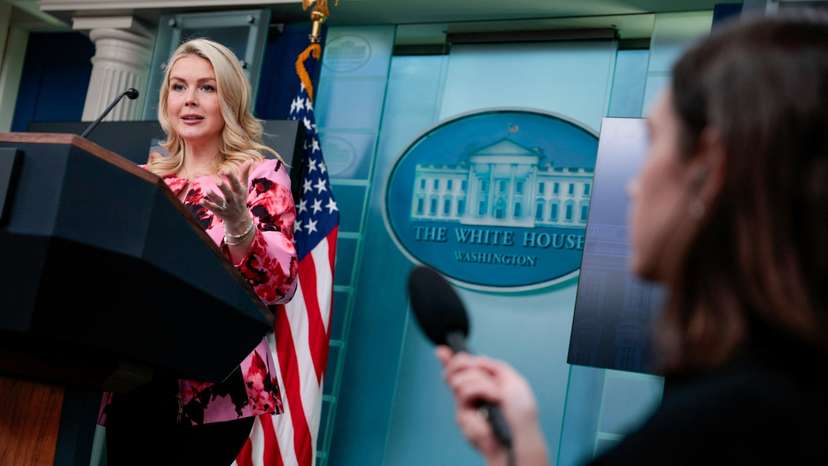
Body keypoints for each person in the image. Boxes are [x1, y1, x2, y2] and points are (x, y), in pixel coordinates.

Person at [437, 12, 828, 466]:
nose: (633, 183)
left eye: (653, 141)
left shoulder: (725, 426)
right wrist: (519, 451)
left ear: (710, 166)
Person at [105, 38, 299, 465]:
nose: (189, 101)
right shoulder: (141, 178)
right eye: (178, 87)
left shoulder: (259, 174)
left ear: (229, 98)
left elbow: (280, 287)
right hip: (133, 371)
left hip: (214, 381)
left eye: (206, 88)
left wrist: (240, 224)